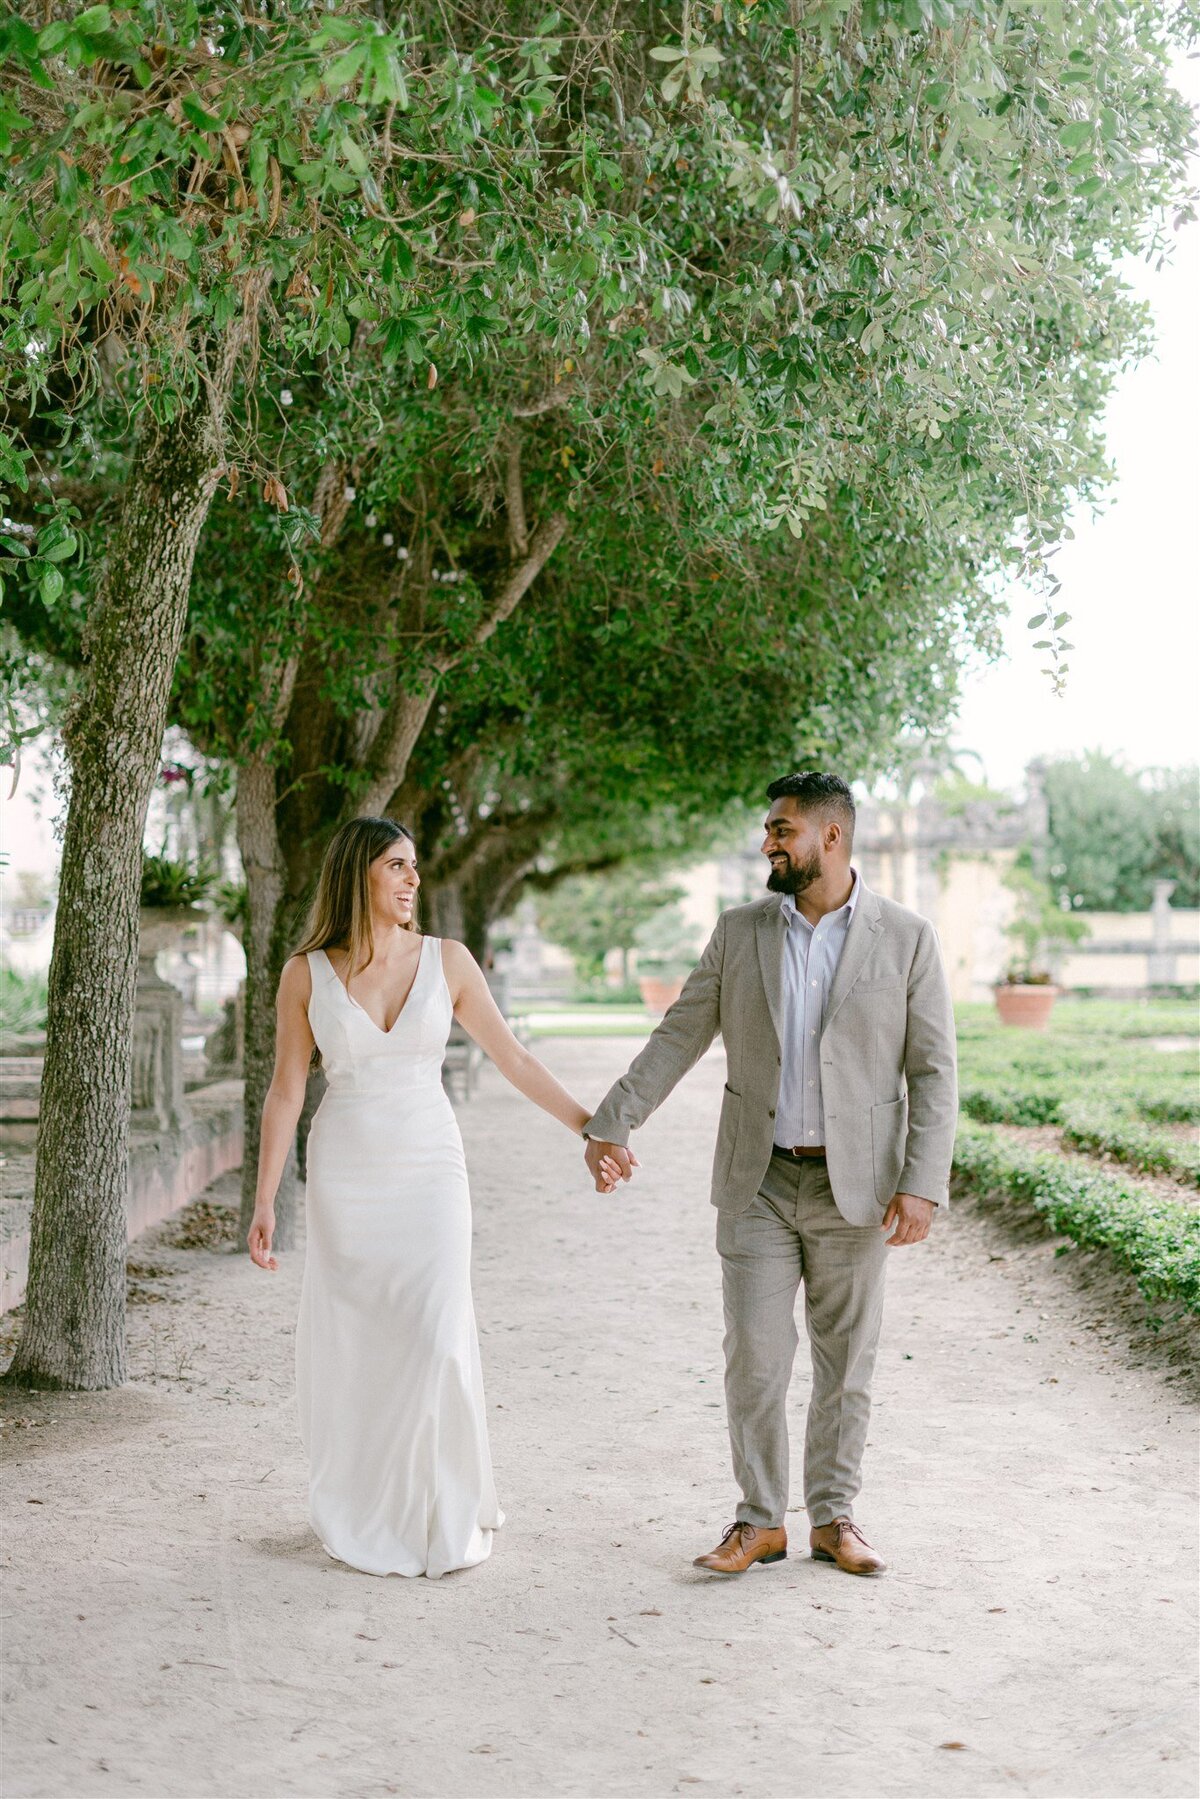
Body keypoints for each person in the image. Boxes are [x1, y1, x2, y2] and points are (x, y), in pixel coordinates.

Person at [583, 772, 957, 1577]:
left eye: (782, 830)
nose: (768, 843)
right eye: (768, 829)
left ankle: (834, 1517)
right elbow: (678, 1033)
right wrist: (611, 1118)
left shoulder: (907, 937)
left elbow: (934, 1069)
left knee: (846, 1361)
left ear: (831, 836)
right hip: (756, 1180)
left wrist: (922, 1180)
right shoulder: (741, 929)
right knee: (754, 1356)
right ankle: (759, 1519)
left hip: (855, 1187)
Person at [248, 816, 621, 1579]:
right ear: (360, 875)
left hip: (429, 1169)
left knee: (437, 1335)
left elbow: (512, 1056)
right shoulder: (305, 973)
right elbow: (286, 1092)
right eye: (397, 866)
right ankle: (370, 1501)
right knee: (361, 1345)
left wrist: (590, 1127)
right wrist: (263, 1202)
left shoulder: (448, 961)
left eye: (414, 866)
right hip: (347, 1172)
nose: (414, 879)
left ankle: (440, 1504)